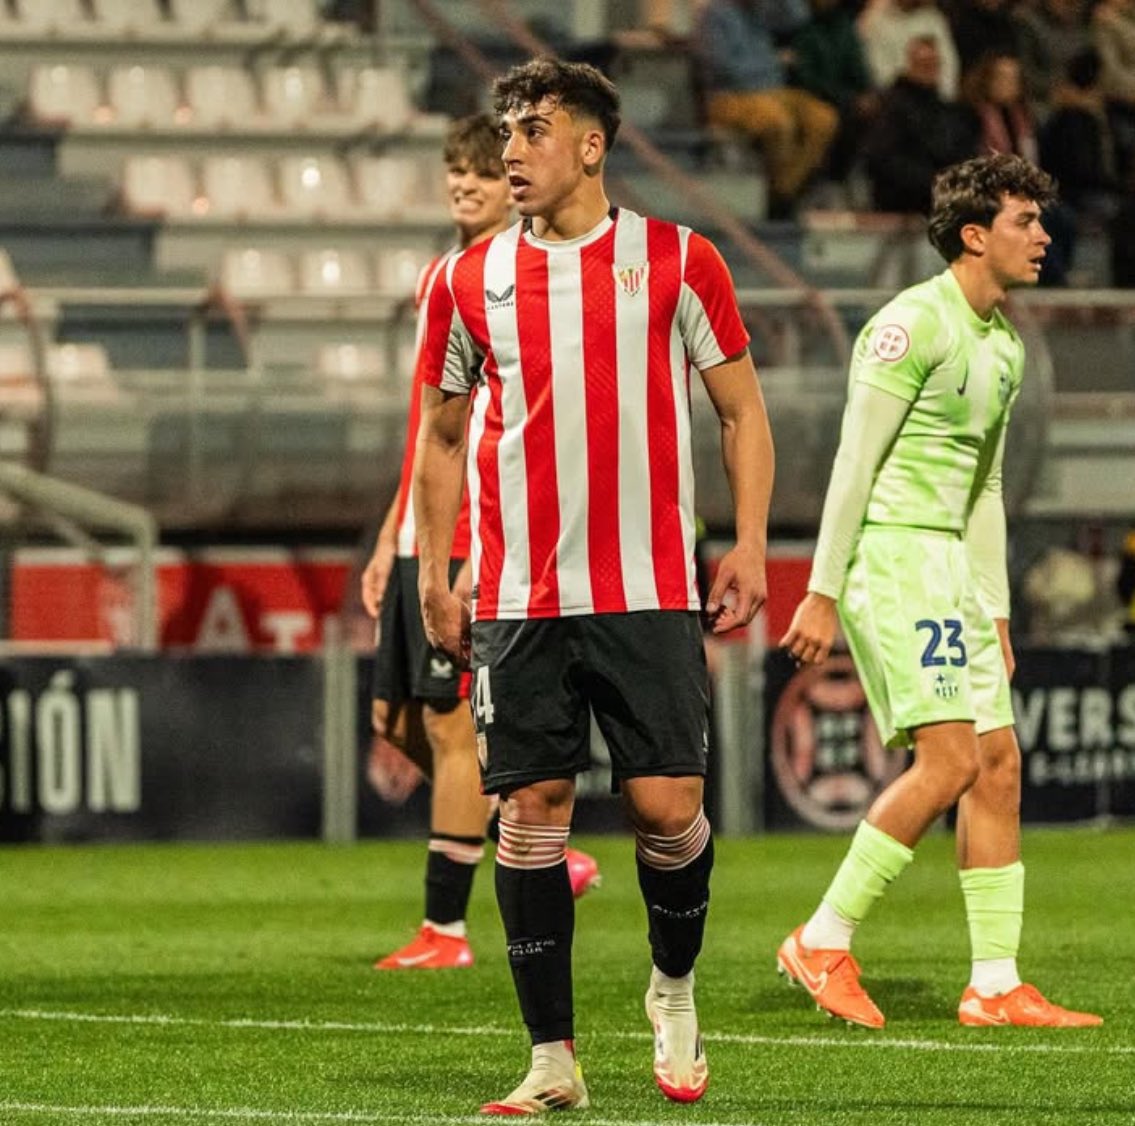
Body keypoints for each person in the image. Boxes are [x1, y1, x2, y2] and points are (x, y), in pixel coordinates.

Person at [411, 57, 774, 1113]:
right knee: (531, 805)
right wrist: (437, 571)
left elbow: (741, 413)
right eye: (507, 130)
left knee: (667, 808)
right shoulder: (464, 280)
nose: (512, 149)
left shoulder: (676, 258)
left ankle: (672, 988)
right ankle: (552, 1056)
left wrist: (747, 542)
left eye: (532, 130)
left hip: (647, 584)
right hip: (518, 595)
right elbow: (440, 435)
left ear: (590, 145)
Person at [778, 152, 1102, 1030]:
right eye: (1023, 222)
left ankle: (994, 984)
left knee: (998, 766)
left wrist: (991, 607)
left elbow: (986, 488)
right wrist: (820, 587)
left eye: (1041, 221)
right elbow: (853, 461)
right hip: (893, 557)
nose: (1042, 237)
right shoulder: (908, 326)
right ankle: (821, 938)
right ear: (972, 235)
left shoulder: (1001, 345)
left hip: (954, 570)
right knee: (952, 761)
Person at [364, 114, 600, 974]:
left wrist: (459, 548)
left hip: (473, 533)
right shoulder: (448, 275)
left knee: (449, 722)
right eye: (454, 172)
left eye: (482, 173)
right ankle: (528, 837)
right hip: (417, 530)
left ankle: (446, 931)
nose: (465, 184)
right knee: (390, 722)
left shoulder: (514, 277)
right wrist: (391, 538)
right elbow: (428, 430)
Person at [694, 0, 838, 217]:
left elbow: (799, 15)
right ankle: (779, 200)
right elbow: (720, 67)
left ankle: (784, 190)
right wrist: (772, 64)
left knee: (824, 118)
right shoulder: (714, 14)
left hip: (773, 91)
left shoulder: (764, 9)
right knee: (778, 123)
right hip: (730, 95)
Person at [864, 35, 979, 214]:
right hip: (902, 200)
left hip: (941, 197)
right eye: (922, 63)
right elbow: (881, 158)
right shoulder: (892, 107)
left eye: (933, 64)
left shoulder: (949, 110)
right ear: (908, 64)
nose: (929, 70)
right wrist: (931, 181)